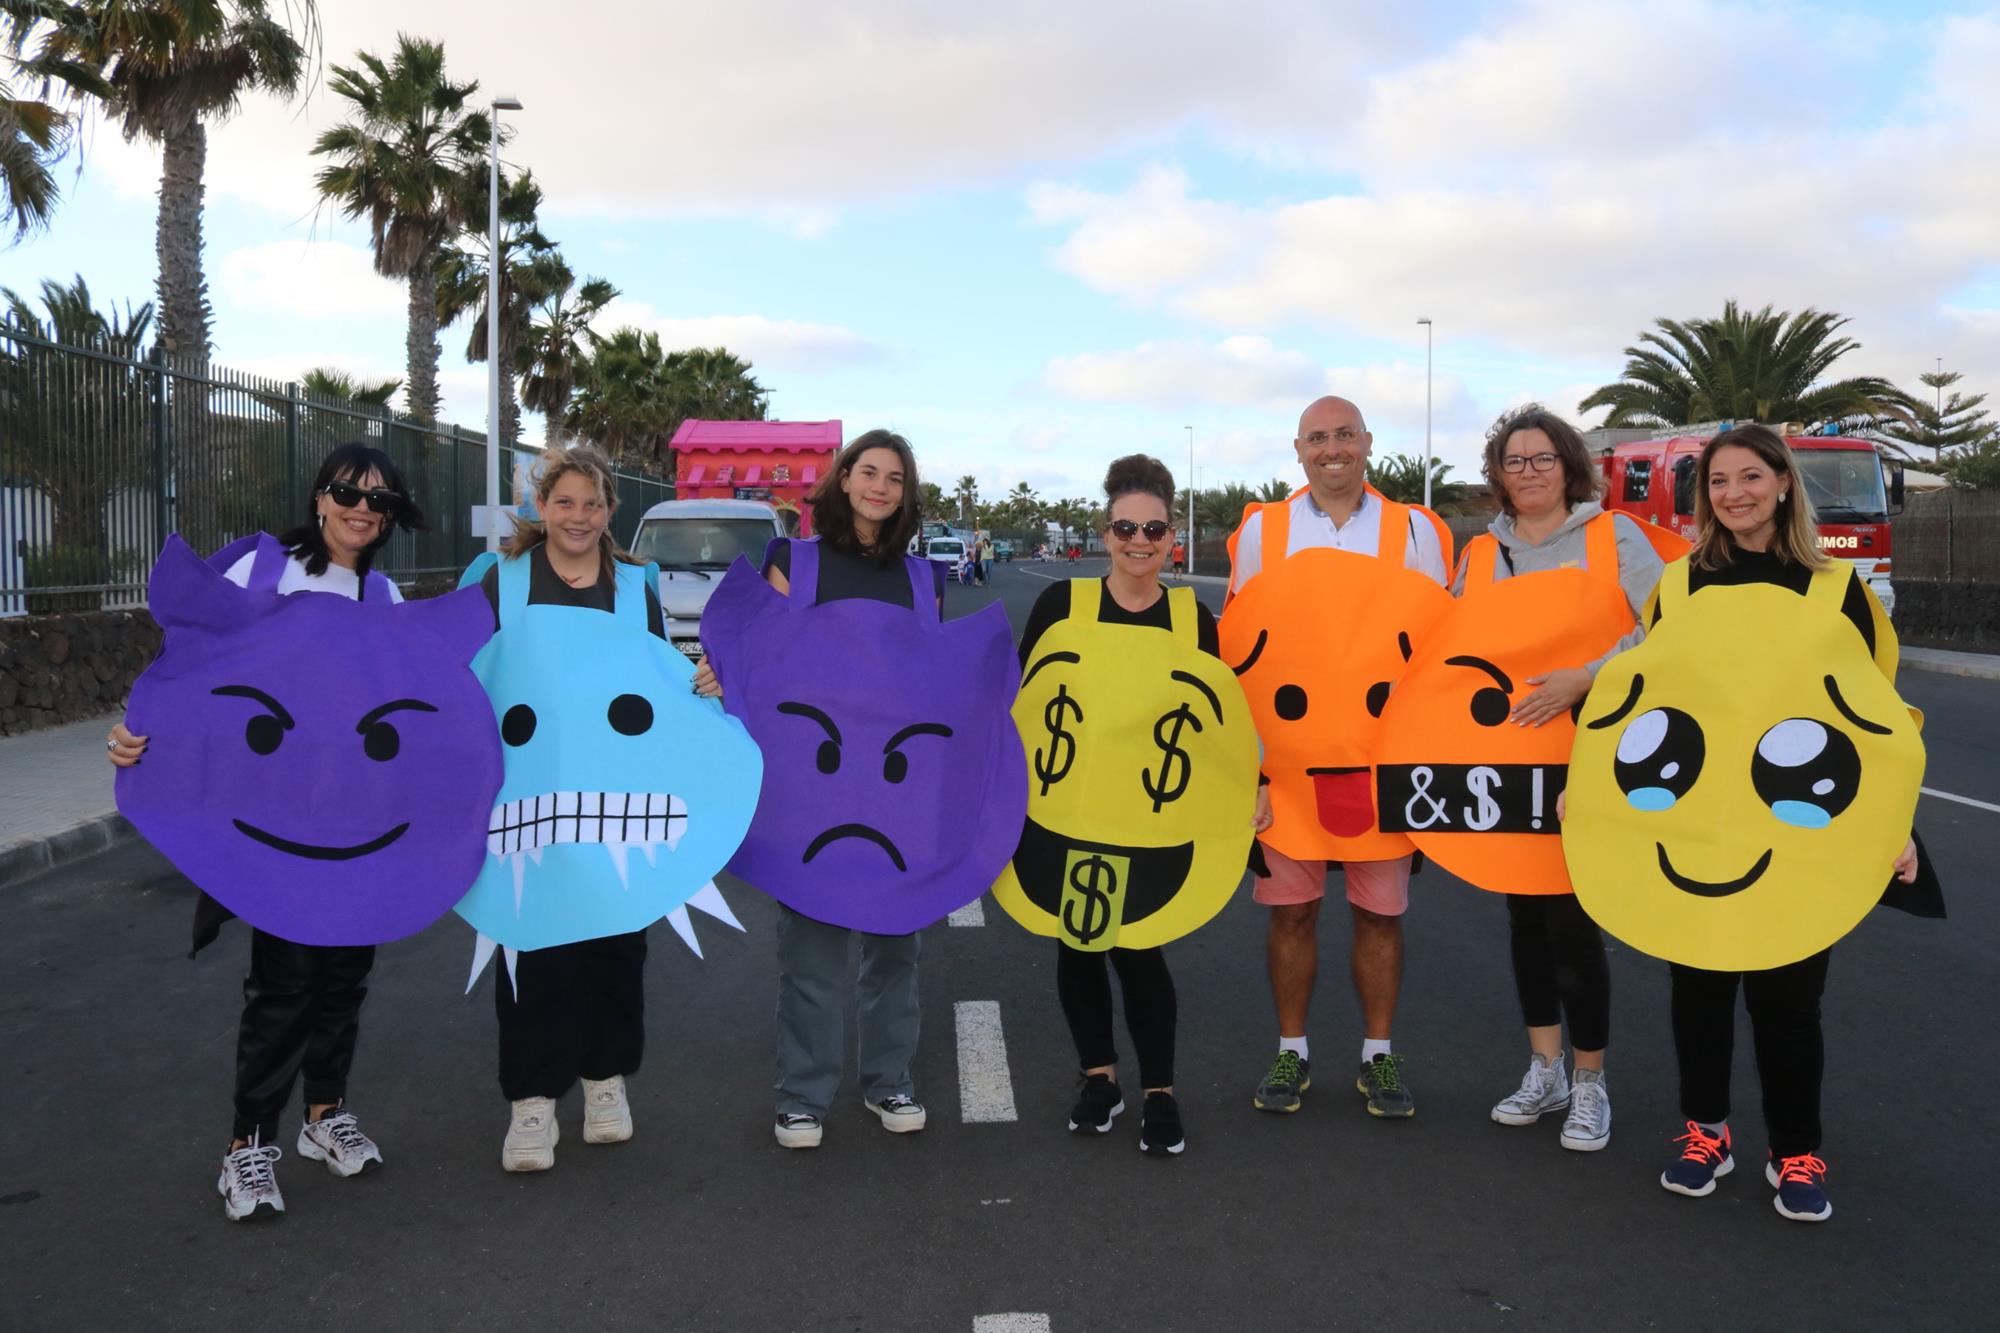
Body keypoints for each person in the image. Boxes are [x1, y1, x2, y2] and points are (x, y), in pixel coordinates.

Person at [107, 442, 424, 1222]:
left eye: (379, 500)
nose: (361, 509)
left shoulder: (382, 596)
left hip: (354, 822)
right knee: (284, 985)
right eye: (347, 491)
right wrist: (136, 731)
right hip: (275, 827)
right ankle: (246, 1146)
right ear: (319, 497)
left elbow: (412, 707)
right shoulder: (263, 571)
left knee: (343, 977)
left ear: (390, 517)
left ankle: (324, 1116)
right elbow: (190, 663)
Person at [1648, 424, 1919, 1222]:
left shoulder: (1837, 590)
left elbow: (1880, 718)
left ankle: (1796, 1152)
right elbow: (1650, 702)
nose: (1734, 493)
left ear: (1783, 482)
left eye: (1750, 477)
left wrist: (1896, 823)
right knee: (1697, 991)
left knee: (1789, 1002)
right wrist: (1595, 792)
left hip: (1800, 827)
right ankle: (1706, 1134)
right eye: (1719, 481)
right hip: (1698, 823)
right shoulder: (1678, 586)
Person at [696, 430, 943, 1150]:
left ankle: (889, 1079)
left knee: (895, 948)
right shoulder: (794, 563)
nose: (880, 487)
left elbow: (938, 684)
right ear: (843, 479)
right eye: (869, 472)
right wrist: (723, 672)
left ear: (906, 495)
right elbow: (758, 653)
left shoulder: (924, 579)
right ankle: (802, 1096)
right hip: (813, 791)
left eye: (895, 478)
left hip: (896, 793)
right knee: (811, 951)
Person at [1014, 456, 1239, 1155]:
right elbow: (1022, 704)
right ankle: (1100, 1079)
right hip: (1069, 809)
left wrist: (1249, 790)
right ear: (1105, 532)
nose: (1139, 541)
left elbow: (1216, 723)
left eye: (1154, 529)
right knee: (1078, 945)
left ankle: (1160, 1091)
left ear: (1172, 536)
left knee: (1141, 949)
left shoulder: (1191, 618)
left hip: (1150, 819)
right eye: (1125, 528)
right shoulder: (1063, 606)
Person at [1233, 395, 1449, 1119]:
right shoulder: (1262, 531)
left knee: (1380, 918)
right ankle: (1290, 1052)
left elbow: (1437, 652)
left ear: (1368, 442)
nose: (1333, 449)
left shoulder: (1415, 530)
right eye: (1318, 437)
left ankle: (1378, 1056)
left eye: (1345, 435)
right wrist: (1254, 770)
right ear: (1298, 449)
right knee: (1292, 914)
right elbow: (1243, 655)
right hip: (1289, 771)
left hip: (1379, 769)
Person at [1459, 406, 1665, 1152]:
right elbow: (1455, 650)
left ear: (1569, 465)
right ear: (1499, 474)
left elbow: (1668, 628)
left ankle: (1589, 1080)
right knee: (1525, 915)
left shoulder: (1616, 538)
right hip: (1510, 757)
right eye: (1514, 461)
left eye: (1543, 457)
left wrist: (1590, 675)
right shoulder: (1481, 554)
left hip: (1595, 753)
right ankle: (1543, 1067)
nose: (1530, 472)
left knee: (1575, 920)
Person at [473, 447, 670, 1172]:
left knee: (616, 944)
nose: (578, 516)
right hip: (527, 797)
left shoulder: (635, 587)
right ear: (542, 507)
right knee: (532, 944)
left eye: (592, 503)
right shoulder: (503, 580)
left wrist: (704, 682)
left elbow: (660, 682)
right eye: (565, 502)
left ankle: (605, 1081)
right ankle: (531, 1102)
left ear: (610, 511)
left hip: (616, 799)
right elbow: (467, 677)